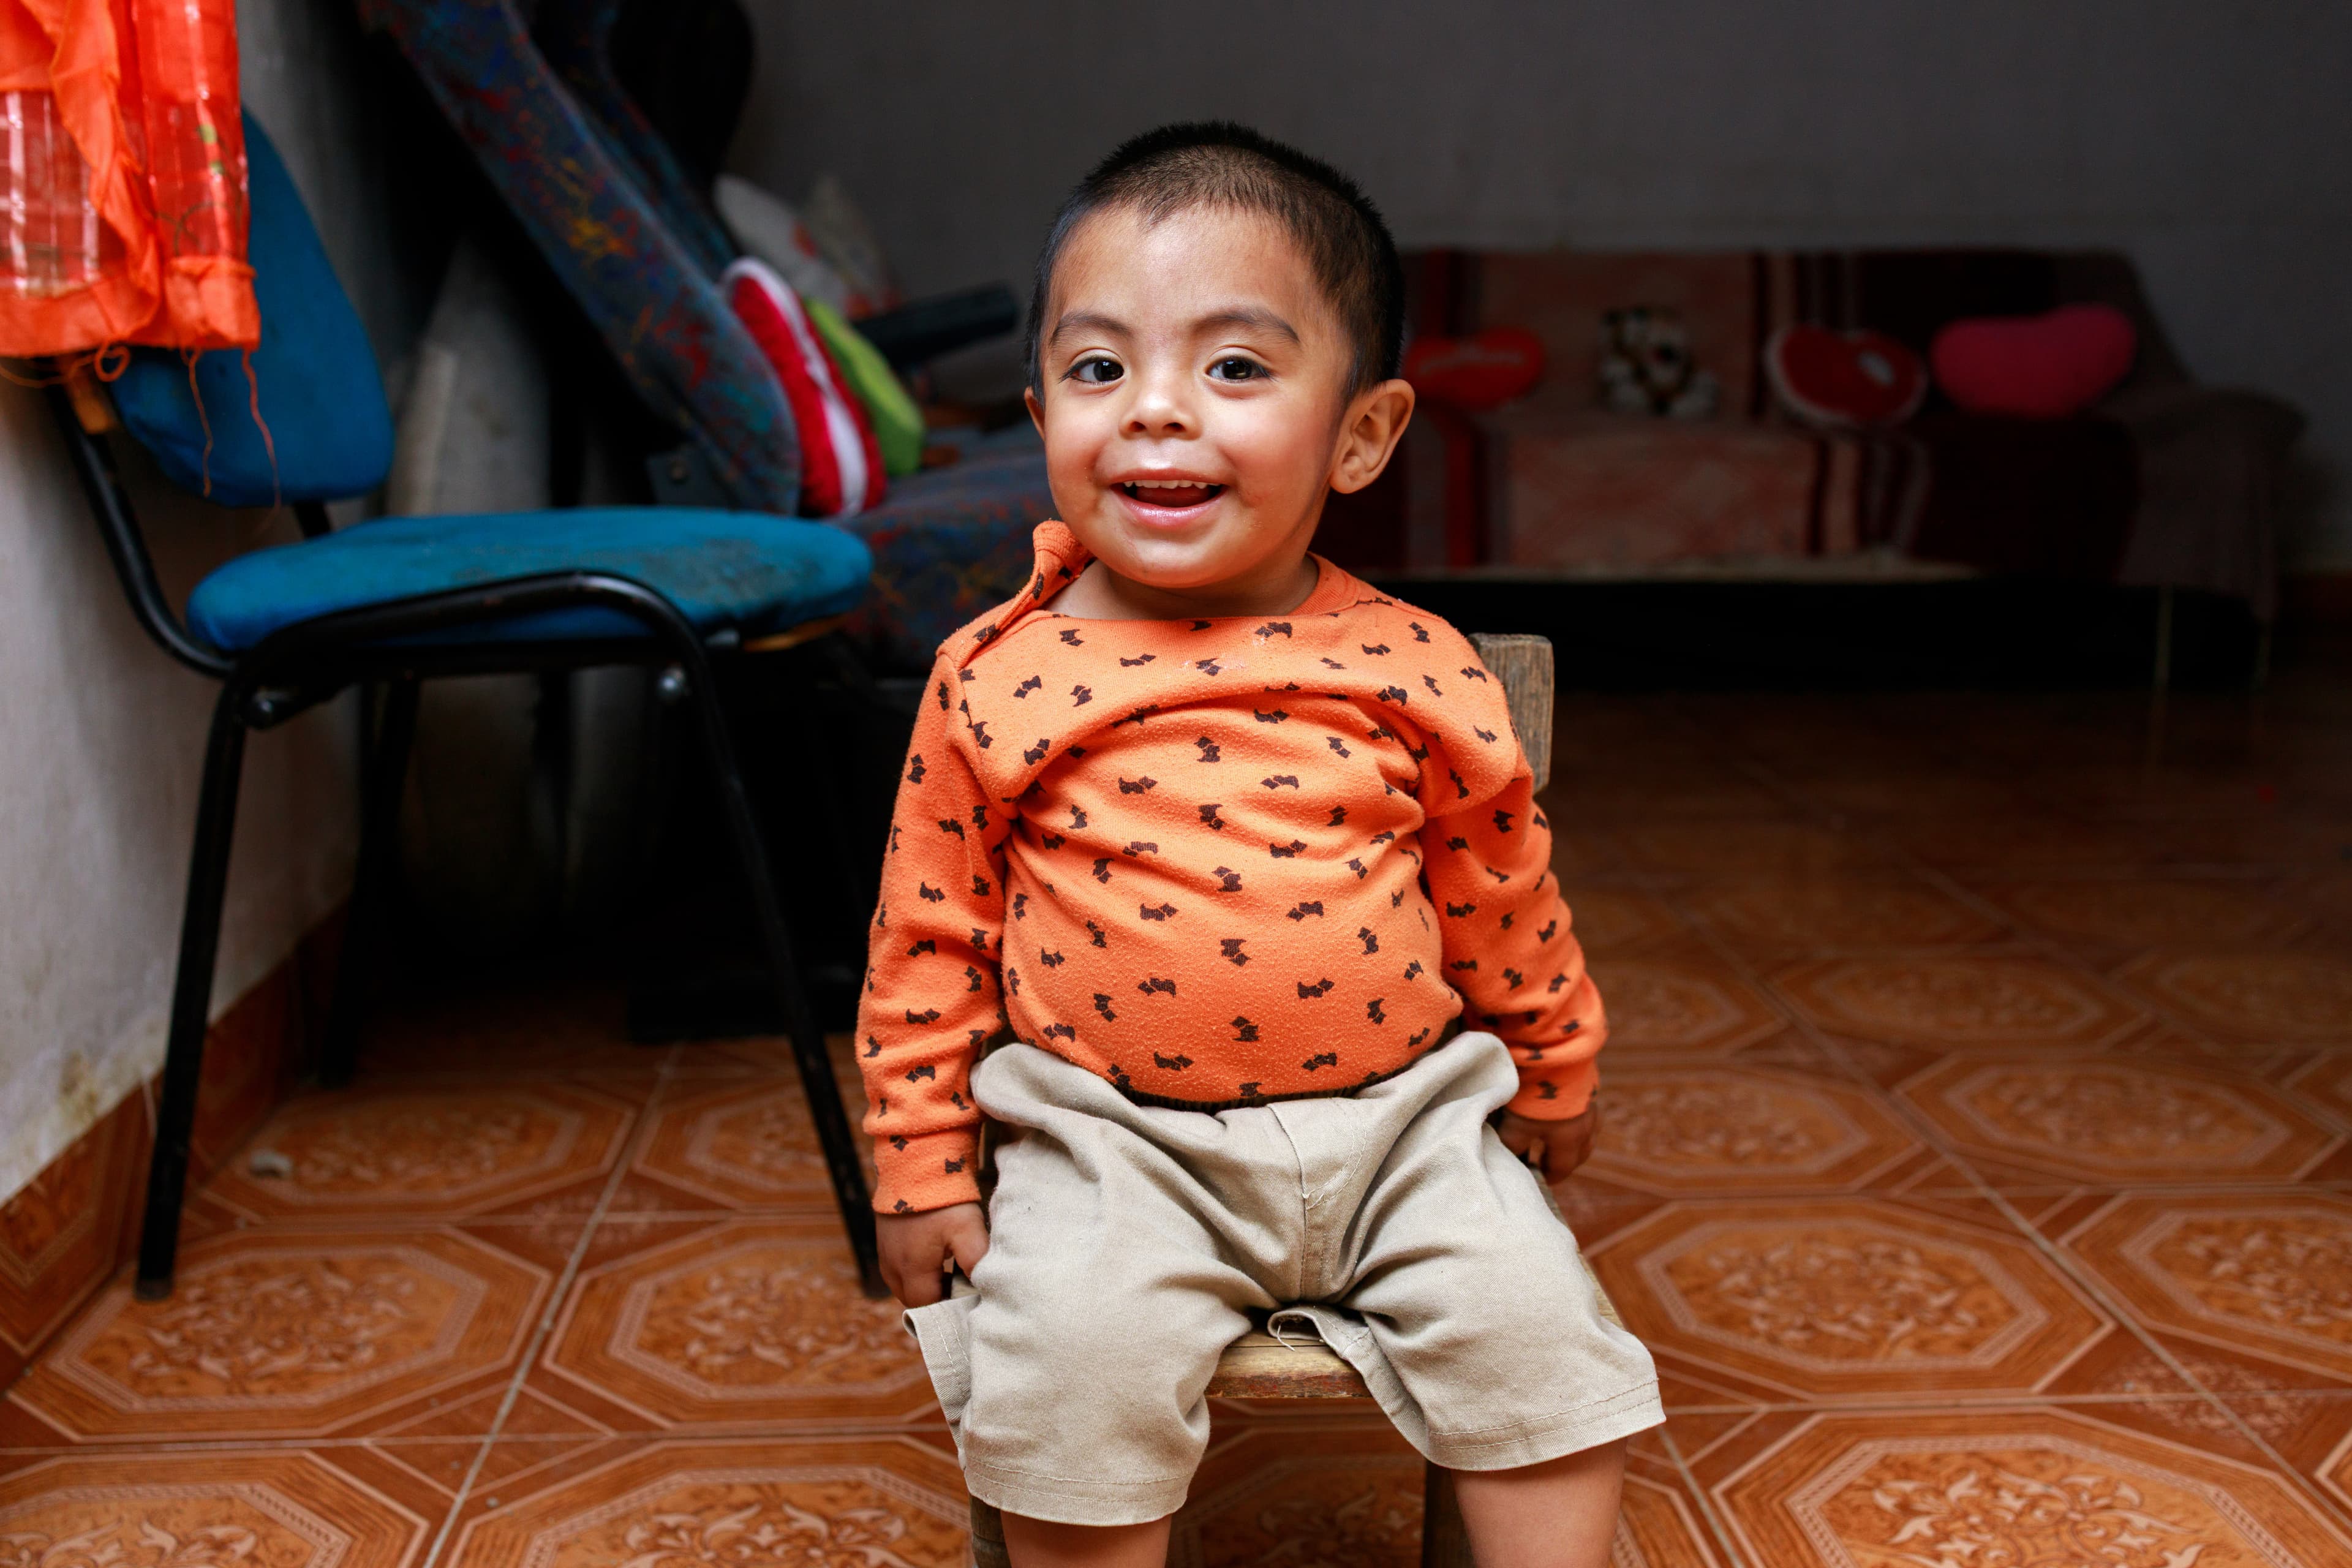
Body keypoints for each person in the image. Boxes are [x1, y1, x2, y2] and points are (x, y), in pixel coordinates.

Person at [855, 122, 1660, 1568]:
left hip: (1414, 1124)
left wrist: (1554, 1062)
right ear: (1039, 411)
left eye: (1234, 365)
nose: (1157, 412)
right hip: (1111, 1139)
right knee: (1071, 1365)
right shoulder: (995, 674)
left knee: (1545, 1339)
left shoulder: (1419, 664)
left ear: (1360, 433)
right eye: (1100, 368)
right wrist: (922, 1164)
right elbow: (930, 935)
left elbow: (1501, 886)